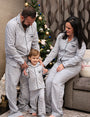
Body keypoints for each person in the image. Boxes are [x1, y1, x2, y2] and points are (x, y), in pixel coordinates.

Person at [43, 16, 87, 117]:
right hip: (59, 63)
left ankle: (57, 112)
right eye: (65, 27)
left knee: (56, 82)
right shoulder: (61, 36)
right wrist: (44, 63)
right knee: (48, 81)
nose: (66, 30)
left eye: (69, 28)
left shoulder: (80, 41)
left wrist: (64, 65)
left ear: (75, 29)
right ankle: (48, 108)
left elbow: (78, 58)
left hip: (72, 66)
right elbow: (54, 52)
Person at [5, 6, 40, 117]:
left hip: (27, 58)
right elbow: (10, 47)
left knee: (26, 85)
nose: (30, 25)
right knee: (12, 85)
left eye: (32, 22)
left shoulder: (33, 24)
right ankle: (14, 111)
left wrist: (36, 57)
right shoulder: (11, 25)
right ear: (22, 17)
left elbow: (35, 42)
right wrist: (21, 61)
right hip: (14, 59)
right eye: (29, 22)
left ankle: (23, 106)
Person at [22, 48, 48, 117]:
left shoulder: (40, 66)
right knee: (33, 99)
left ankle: (41, 112)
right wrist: (25, 74)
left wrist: (45, 71)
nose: (35, 60)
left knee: (42, 98)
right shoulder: (28, 67)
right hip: (32, 87)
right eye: (34, 58)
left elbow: (43, 73)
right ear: (29, 58)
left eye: (37, 58)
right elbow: (27, 77)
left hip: (41, 86)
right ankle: (33, 110)